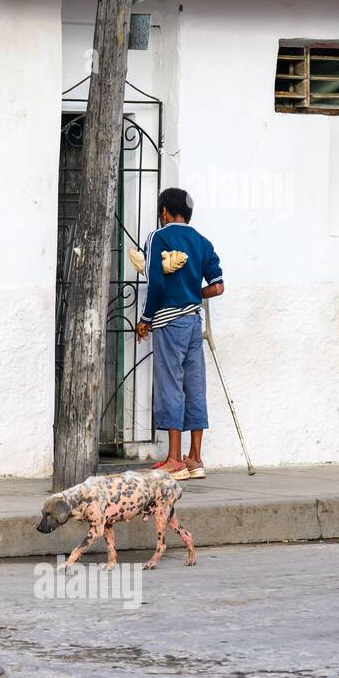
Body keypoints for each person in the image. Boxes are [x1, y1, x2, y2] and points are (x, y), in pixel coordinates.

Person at [136, 187, 224, 480]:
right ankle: (195, 459)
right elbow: (218, 286)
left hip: (168, 323)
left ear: (163, 212)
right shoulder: (202, 242)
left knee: (170, 385)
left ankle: (174, 459)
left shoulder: (157, 238)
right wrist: (192, 294)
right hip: (192, 321)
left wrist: (146, 319)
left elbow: (156, 285)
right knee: (194, 385)